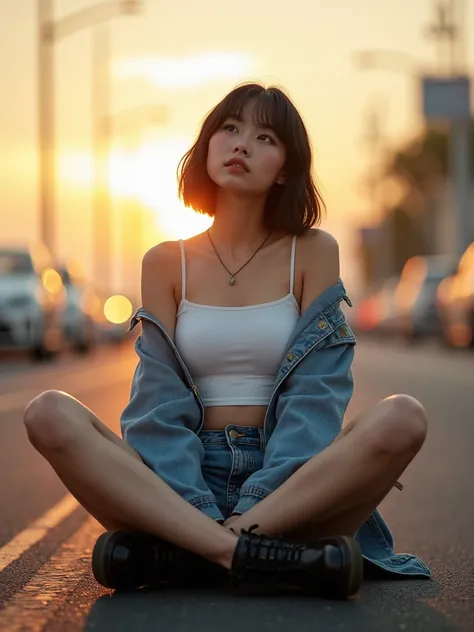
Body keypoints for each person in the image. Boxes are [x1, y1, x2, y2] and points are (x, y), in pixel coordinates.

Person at [23, 83, 431, 599]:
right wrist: (196, 508)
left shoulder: (311, 253)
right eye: (230, 129)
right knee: (48, 412)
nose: (241, 145)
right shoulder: (165, 262)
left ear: (284, 168)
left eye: (265, 138)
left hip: (294, 485)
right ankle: (254, 558)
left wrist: (251, 509)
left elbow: (316, 396)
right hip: (180, 481)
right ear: (207, 145)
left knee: (404, 417)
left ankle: (190, 554)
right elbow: (157, 405)